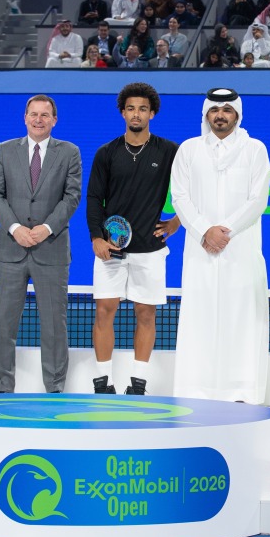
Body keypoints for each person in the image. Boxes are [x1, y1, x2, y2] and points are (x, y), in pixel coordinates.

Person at [170, 89, 270, 404]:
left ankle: (241, 389)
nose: (220, 115)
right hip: (200, 251)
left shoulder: (255, 149)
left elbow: (257, 200)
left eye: (227, 110)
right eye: (215, 110)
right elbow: (180, 197)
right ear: (206, 115)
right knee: (198, 318)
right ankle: (195, 389)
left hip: (240, 250)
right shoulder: (188, 150)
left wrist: (224, 232)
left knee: (242, 319)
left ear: (237, 115)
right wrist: (204, 231)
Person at [86, 84, 181, 394]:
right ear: (123, 112)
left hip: (150, 250)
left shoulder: (169, 151)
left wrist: (176, 222)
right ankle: (103, 383)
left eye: (142, 108)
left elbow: (190, 191)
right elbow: (93, 198)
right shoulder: (106, 153)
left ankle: (138, 384)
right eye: (131, 108)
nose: (136, 113)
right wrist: (96, 238)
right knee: (104, 310)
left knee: (146, 313)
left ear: (151, 113)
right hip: (110, 251)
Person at [0, 95, 82, 394]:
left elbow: (72, 196)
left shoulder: (70, 152)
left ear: (55, 120)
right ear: (24, 117)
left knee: (54, 325)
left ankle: (54, 389)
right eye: (33, 114)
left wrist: (46, 228)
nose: (38, 119)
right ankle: (3, 388)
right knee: (3, 324)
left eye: (45, 115)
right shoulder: (4, 150)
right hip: (10, 251)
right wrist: (15, 228)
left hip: (51, 250)